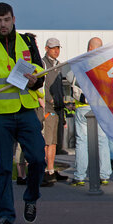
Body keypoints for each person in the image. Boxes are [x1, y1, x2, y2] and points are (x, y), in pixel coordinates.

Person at [0, 2, 47, 224]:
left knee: (38, 160)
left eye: (6, 19)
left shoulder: (28, 41)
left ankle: (31, 198)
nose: (3, 24)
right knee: (3, 167)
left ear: (14, 19)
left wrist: (36, 80)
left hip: (26, 112)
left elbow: (41, 75)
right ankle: (5, 216)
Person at [71, 37, 113, 186]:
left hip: (83, 108)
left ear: (89, 47)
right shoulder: (106, 66)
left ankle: (80, 176)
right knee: (102, 141)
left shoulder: (82, 63)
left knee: (82, 141)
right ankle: (104, 174)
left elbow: (73, 83)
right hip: (101, 109)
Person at [41, 37, 69, 184]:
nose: (56, 50)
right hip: (48, 109)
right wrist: (49, 100)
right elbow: (42, 85)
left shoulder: (58, 65)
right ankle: (47, 171)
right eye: (53, 48)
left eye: (58, 47)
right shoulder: (43, 63)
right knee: (48, 141)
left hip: (58, 109)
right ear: (46, 49)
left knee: (54, 142)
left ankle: (51, 169)